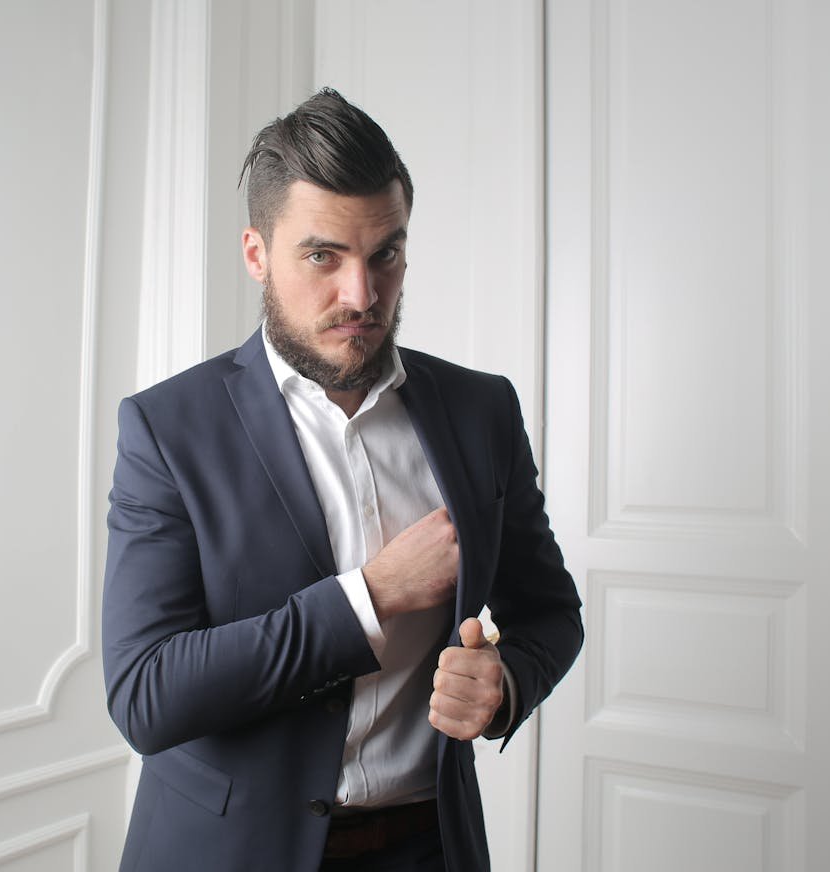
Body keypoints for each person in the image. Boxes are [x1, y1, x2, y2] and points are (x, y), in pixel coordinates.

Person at [101, 88, 582, 872]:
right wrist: (374, 596)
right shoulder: (168, 428)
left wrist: (505, 685)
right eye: (323, 255)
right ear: (256, 253)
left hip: (429, 846)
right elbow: (146, 695)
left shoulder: (480, 410)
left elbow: (552, 613)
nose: (362, 295)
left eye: (385, 254)